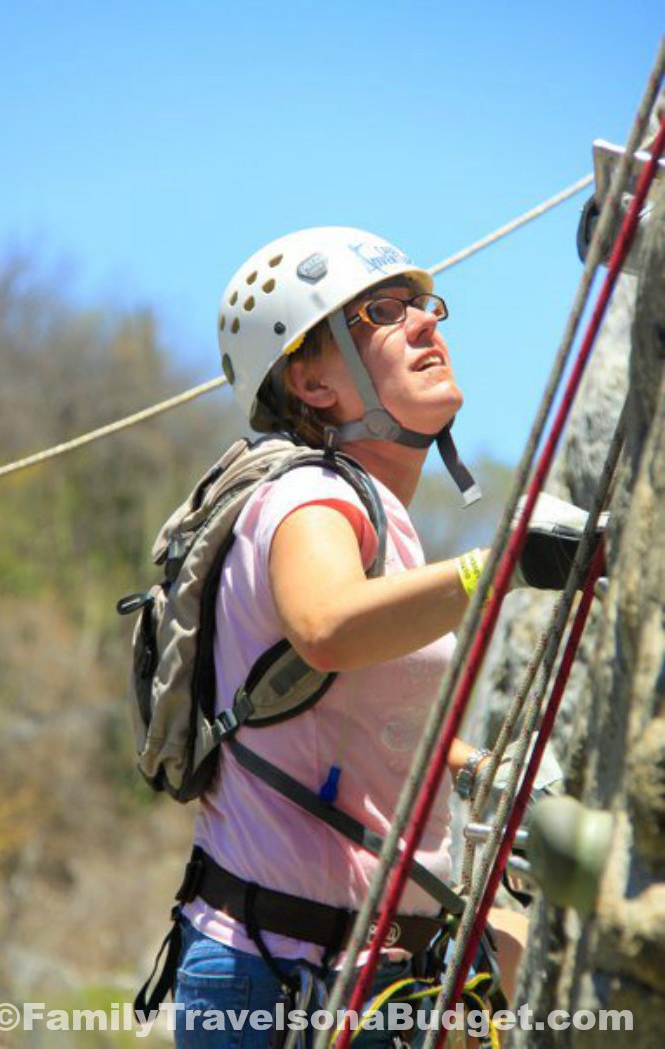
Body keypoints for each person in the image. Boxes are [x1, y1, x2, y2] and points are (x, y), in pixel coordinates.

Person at [173, 227, 529, 1047]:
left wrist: (482, 770)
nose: (426, 324)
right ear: (311, 378)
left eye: (424, 305)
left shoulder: (373, 514)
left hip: (358, 972)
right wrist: (496, 566)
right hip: (285, 978)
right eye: (382, 311)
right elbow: (326, 627)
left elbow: (348, 720)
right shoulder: (308, 493)